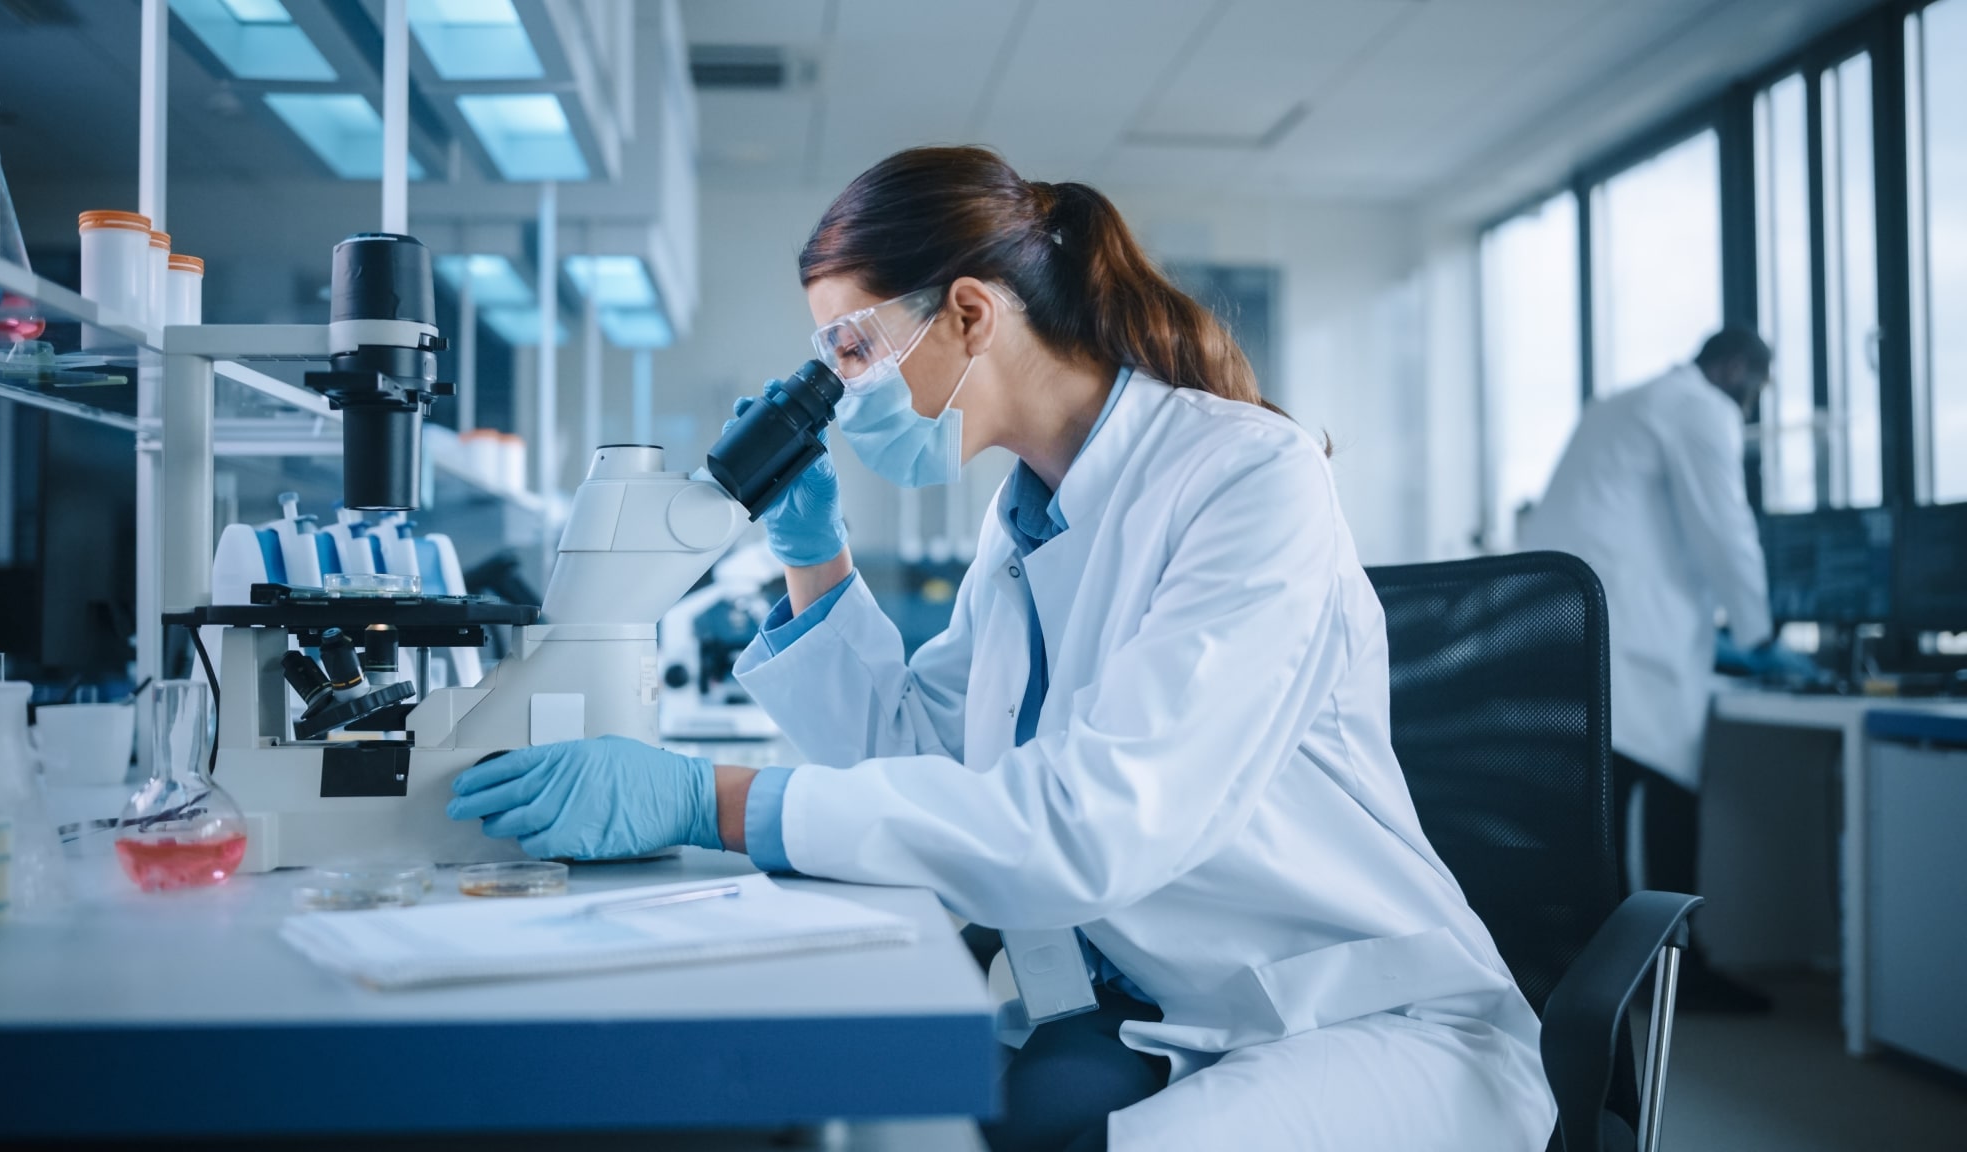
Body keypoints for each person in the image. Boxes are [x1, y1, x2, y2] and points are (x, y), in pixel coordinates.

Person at [448, 146, 1555, 1150]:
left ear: (969, 314)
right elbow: (916, 743)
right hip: (1166, 1008)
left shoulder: (1248, 478)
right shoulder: (1027, 514)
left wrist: (713, 800)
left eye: (852, 347)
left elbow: (1094, 821)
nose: (839, 391)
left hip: (1355, 1021)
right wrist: (814, 554)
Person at [1520, 326, 1776, 1013]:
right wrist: (1760, 630)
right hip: (1630, 635)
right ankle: (1677, 972)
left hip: (1571, 625)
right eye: (1754, 391)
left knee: (1602, 804)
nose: (1750, 410)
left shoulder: (1624, 402)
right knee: (1665, 790)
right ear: (1733, 369)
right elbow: (1725, 527)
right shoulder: (1700, 407)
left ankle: (1604, 968)